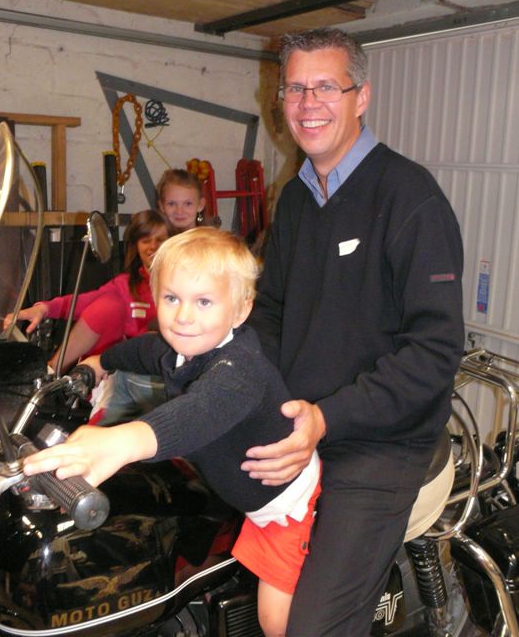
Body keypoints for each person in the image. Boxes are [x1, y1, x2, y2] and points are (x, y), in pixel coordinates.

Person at [242, 28, 465, 636]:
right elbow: (272, 312)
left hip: (380, 447)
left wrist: (328, 417)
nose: (308, 103)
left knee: (312, 628)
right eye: (295, 88)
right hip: (304, 429)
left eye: (326, 87)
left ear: (361, 96)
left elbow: (435, 350)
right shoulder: (295, 199)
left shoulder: (409, 196)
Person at [23, 227, 321, 637]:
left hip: (284, 509)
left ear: (240, 311)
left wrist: (122, 441)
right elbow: (142, 350)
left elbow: (199, 412)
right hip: (231, 485)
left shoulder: (241, 369)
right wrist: (98, 363)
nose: (183, 316)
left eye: (203, 302)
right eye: (171, 298)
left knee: (276, 622)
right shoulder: (182, 348)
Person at [3, 210, 169, 373]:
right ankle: (51, 373)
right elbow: (86, 301)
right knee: (108, 306)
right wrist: (44, 308)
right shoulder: (125, 285)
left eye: (160, 240)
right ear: (136, 246)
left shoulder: (178, 282)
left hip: (163, 367)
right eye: (145, 240)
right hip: (123, 371)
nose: (153, 246)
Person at [156, 168, 206, 234]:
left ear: (200, 205)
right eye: (171, 204)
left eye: (188, 204)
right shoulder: (154, 239)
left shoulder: (212, 238)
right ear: (161, 206)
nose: (179, 211)